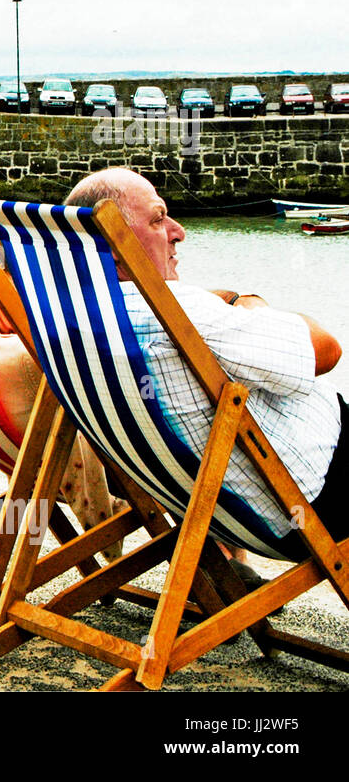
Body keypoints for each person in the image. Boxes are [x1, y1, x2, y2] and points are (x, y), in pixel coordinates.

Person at [64, 167, 347, 565]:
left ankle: (228, 572)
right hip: (317, 499)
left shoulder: (66, 320)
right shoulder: (174, 313)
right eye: (159, 219)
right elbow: (326, 351)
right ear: (113, 243)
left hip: (219, 513)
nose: (178, 231)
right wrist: (248, 302)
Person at [0, 237, 124, 549]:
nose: (31, 296)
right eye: (22, 283)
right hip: (118, 481)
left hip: (30, 470)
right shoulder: (22, 356)